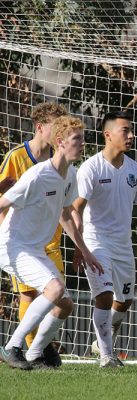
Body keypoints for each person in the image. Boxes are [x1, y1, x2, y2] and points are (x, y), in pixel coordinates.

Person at [0, 116, 103, 369]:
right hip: (13, 246)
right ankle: (12, 347)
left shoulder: (71, 175)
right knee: (55, 290)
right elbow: (2, 203)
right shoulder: (36, 176)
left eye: (83, 138)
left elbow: (65, 214)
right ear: (60, 142)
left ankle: (35, 353)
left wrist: (85, 251)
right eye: (76, 139)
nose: (82, 144)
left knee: (66, 304)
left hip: (35, 249)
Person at [72, 111, 137, 368]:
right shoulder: (91, 167)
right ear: (108, 135)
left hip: (123, 245)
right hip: (96, 242)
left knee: (124, 301)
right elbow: (76, 208)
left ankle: (100, 344)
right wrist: (79, 246)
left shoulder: (135, 170)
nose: (131, 135)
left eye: (131, 130)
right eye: (125, 130)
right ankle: (107, 355)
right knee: (103, 295)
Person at [0, 102, 69, 367]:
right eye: (57, 126)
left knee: (61, 301)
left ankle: (40, 346)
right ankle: (30, 350)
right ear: (40, 128)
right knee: (29, 295)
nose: (62, 132)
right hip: (21, 242)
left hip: (51, 241)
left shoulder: (60, 160)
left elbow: (67, 209)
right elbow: (3, 197)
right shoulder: (17, 157)